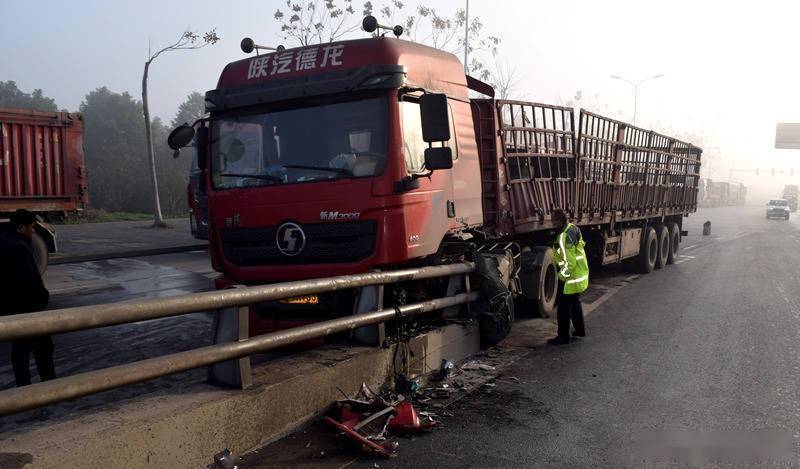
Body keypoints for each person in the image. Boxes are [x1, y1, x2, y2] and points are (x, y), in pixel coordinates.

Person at [0, 209, 55, 386]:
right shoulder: (19, 248)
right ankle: (49, 383)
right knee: (44, 347)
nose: (33, 231)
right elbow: (31, 280)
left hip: (10, 306)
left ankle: (23, 385)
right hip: (27, 306)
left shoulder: (4, 241)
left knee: (20, 347)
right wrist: (43, 298)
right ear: (21, 227)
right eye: (31, 228)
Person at [547, 209, 589, 345]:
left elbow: (569, 263)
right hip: (580, 272)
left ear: (559, 220)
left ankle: (563, 337)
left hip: (572, 277)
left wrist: (561, 276)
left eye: (553, 219)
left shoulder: (564, 236)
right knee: (575, 304)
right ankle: (580, 330)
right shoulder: (573, 227)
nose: (551, 222)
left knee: (563, 308)